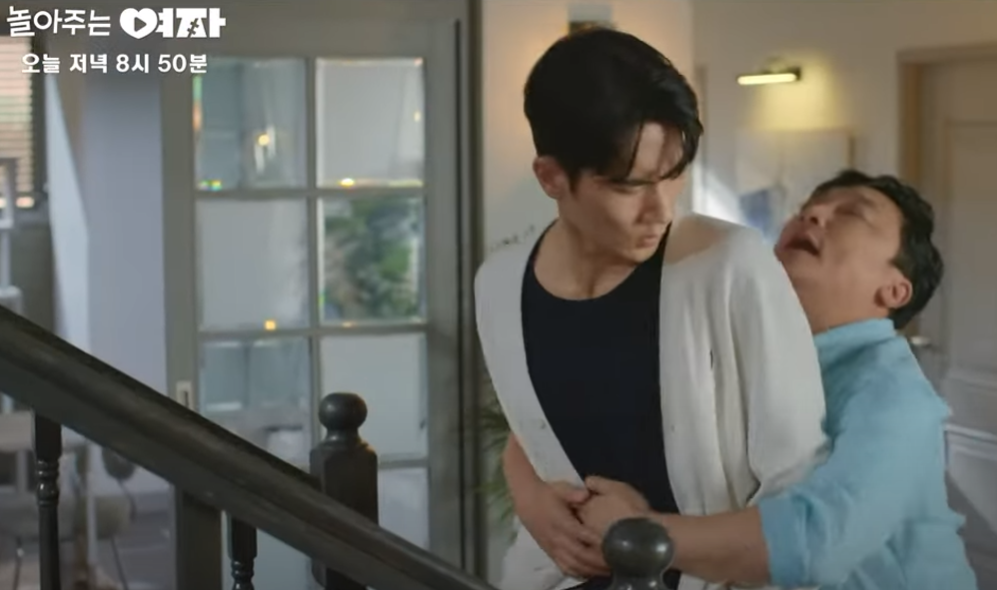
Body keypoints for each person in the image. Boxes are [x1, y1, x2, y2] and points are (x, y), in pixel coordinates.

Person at [474, 27, 827, 590]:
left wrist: (648, 536)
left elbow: (799, 496)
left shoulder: (730, 266)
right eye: (629, 186)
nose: (660, 210)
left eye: (673, 175)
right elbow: (537, 428)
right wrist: (532, 497)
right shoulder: (499, 285)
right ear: (552, 177)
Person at [578, 170, 979, 590]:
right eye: (806, 208)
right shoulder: (744, 348)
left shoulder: (895, 397)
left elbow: (814, 544)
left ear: (895, 290)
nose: (813, 215)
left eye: (852, 214)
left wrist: (637, 533)